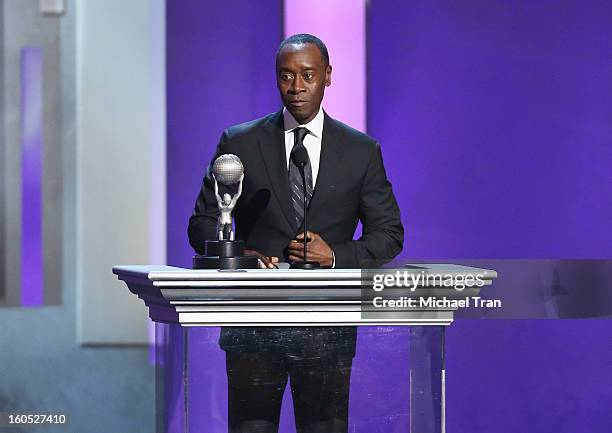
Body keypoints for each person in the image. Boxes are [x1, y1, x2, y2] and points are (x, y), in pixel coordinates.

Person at [188, 34, 403, 433]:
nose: (297, 87)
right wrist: (240, 255)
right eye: (286, 76)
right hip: (253, 324)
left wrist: (335, 256)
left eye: (308, 75)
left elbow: (389, 233)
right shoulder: (240, 142)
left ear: (328, 77)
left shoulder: (361, 151)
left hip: (327, 328)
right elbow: (201, 223)